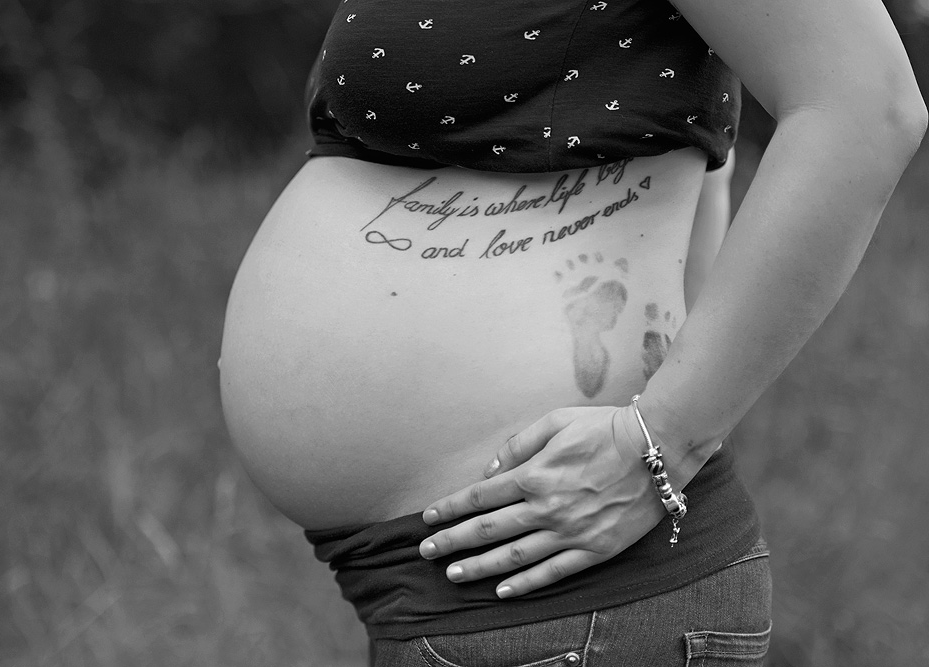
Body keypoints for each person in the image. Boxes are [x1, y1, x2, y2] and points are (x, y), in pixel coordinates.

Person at [219, 0, 926, 664]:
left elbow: (866, 107)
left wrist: (661, 443)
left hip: (573, 592)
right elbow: (695, 153)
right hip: (480, 588)